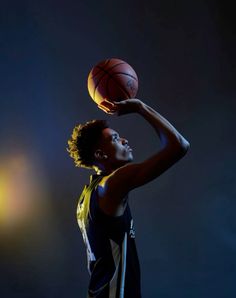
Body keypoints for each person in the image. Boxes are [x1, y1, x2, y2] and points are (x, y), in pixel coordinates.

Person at [67, 98, 190, 298]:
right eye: (115, 138)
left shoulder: (85, 197)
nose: (124, 140)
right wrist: (140, 107)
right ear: (100, 154)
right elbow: (179, 145)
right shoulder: (112, 184)